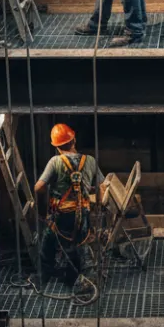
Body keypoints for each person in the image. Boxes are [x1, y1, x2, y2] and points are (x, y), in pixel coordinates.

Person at [33, 123, 106, 286]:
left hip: (61, 216)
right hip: (83, 215)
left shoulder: (55, 161)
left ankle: (43, 278)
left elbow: (38, 188)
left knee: (48, 242)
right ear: (74, 140)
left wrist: (47, 196)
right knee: (80, 243)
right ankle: (80, 278)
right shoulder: (90, 161)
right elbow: (102, 186)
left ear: (57, 147)